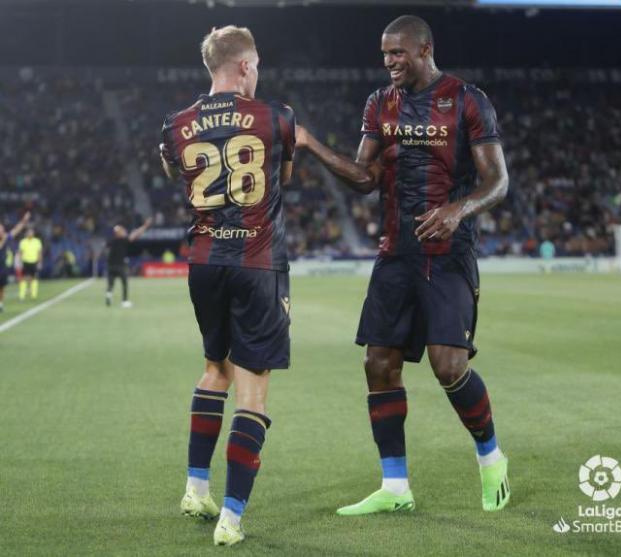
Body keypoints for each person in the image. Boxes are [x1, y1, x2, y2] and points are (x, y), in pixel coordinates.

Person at [296, 15, 510, 515]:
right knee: (378, 364)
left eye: (398, 53)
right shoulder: (379, 103)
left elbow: (498, 182)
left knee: (449, 365)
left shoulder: (466, 100)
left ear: (424, 49)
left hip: (447, 253)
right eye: (384, 54)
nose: (389, 62)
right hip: (395, 251)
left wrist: (459, 209)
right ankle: (395, 486)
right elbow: (366, 176)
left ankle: (492, 457)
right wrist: (311, 146)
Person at [160, 25, 295, 546]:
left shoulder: (176, 122)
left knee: (215, 368)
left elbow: (173, 169)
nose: (257, 73)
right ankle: (232, 518)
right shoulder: (277, 118)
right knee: (252, 390)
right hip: (257, 262)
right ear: (243, 65)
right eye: (255, 65)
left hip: (204, 261)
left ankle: (197, 487)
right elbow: (286, 174)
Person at [105, 218, 152, 308]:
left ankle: (108, 294)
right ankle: (124, 301)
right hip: (120, 265)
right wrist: (145, 226)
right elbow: (134, 235)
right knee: (124, 283)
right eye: (122, 231)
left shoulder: (111, 241)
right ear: (118, 233)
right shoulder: (122, 240)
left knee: (111, 283)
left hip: (110, 265)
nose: (124, 232)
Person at [0, 212, 30, 311]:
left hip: (3, 267)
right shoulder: (5, 239)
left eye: (1, 229)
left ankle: (0, 304)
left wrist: (24, 221)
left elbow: (16, 230)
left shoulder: (6, 237)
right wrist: (4, 239)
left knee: (2, 287)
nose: (1, 230)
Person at [17, 225, 43, 301]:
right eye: (28, 232)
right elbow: (20, 253)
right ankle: (22, 295)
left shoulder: (37, 241)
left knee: (34, 278)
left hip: (34, 262)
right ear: (26, 233)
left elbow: (39, 253)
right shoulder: (23, 242)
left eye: (31, 232)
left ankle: (34, 295)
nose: (30, 234)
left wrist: (40, 262)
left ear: (33, 233)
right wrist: (19, 262)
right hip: (25, 262)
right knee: (24, 279)